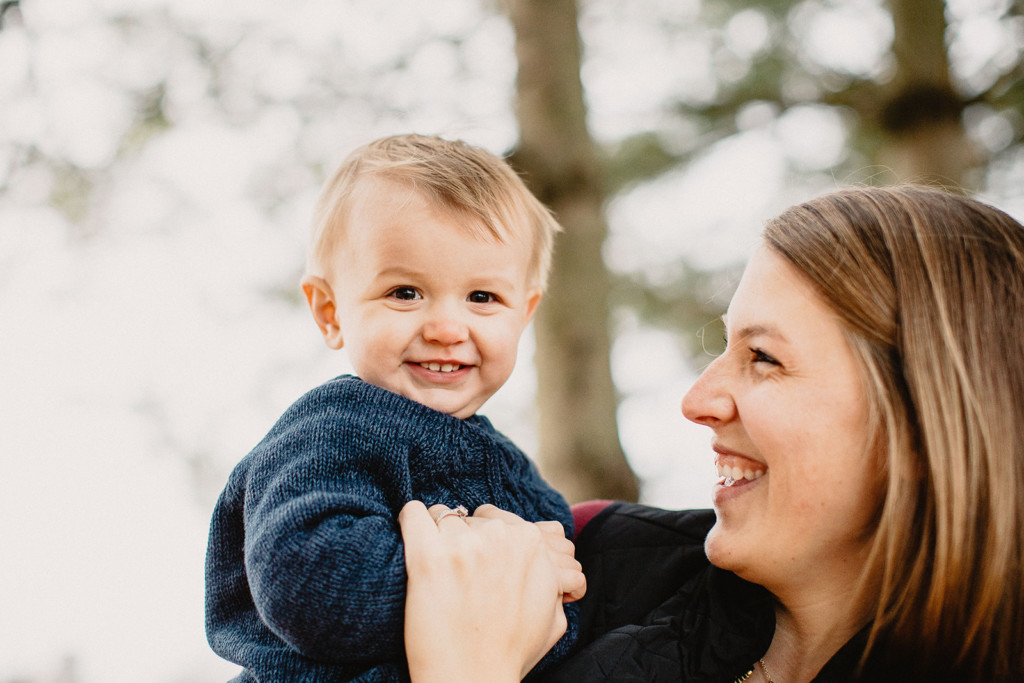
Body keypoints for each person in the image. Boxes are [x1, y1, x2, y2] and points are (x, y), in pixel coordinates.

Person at [399, 184, 1024, 682]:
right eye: (723, 347)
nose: (697, 401)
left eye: (764, 358)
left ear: (919, 425)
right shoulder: (576, 554)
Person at [204, 134, 582, 682]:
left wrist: (543, 582)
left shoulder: (522, 478)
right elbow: (304, 582)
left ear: (523, 315)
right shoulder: (331, 431)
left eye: (482, 297)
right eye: (405, 292)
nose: (447, 328)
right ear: (331, 312)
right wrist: (503, 572)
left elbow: (558, 624)